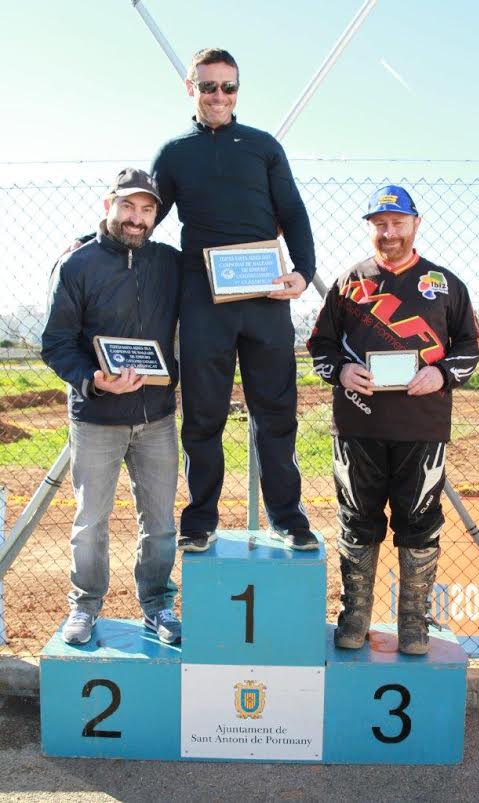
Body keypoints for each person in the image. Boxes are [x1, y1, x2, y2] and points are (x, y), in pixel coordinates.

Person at [151, 47, 319, 552]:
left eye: (228, 87)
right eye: (208, 86)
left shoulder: (263, 147)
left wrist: (304, 272)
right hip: (204, 304)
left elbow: (293, 212)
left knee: (276, 413)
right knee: (203, 416)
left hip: (265, 299)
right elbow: (146, 218)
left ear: (237, 90)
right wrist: (95, 242)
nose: (219, 96)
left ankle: (287, 517)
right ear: (191, 89)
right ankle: (200, 519)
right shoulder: (173, 153)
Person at [307, 185, 479, 654]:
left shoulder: (444, 284)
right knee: (356, 520)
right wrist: (341, 370)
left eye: (397, 223)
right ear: (371, 228)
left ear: (415, 224)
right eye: (380, 225)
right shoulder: (349, 283)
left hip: (422, 428)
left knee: (420, 521)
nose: (389, 233)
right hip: (357, 426)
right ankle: (355, 615)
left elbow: (472, 343)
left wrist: (441, 373)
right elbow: (320, 345)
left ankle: (413, 620)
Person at [41, 168, 182, 646]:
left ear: (156, 215)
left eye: (146, 209)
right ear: (109, 206)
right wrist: (94, 380)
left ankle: (158, 605)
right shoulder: (78, 265)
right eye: (128, 206)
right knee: (90, 523)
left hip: (156, 417)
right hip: (97, 418)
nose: (136, 218)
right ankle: (84, 606)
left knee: (159, 523)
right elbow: (56, 344)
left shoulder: (169, 263)